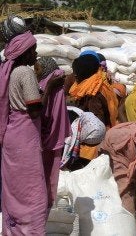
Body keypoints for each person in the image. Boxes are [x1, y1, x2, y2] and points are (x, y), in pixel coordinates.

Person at [0, 32, 60, 234]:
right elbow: (34, 110)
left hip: (13, 134)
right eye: (33, 50)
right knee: (32, 190)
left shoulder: (11, 72)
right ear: (25, 53)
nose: (36, 54)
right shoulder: (25, 72)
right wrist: (50, 87)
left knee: (15, 189)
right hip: (25, 135)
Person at [35, 56, 71, 209]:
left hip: (41, 138)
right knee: (50, 177)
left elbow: (39, 112)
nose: (34, 72)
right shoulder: (59, 88)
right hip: (54, 138)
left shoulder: (45, 87)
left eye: (37, 69)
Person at [69, 54, 119, 161]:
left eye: (77, 71)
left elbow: (97, 125)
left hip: (95, 143)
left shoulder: (92, 92)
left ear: (85, 71)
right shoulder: (98, 83)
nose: (75, 75)